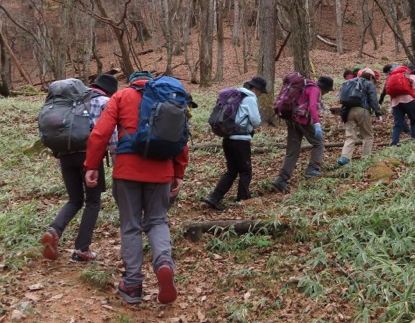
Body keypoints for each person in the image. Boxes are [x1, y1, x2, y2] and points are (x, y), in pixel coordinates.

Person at [83, 71, 189, 305]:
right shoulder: (168, 99)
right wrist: (178, 172)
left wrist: (91, 165)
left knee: (130, 225)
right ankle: (163, 262)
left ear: (132, 81)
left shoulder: (121, 97)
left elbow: (100, 133)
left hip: (127, 171)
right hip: (162, 171)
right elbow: (182, 139)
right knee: (157, 220)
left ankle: (132, 285)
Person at [40, 73, 118, 263]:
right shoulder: (104, 101)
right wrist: (117, 162)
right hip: (89, 157)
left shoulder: (74, 100)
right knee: (92, 202)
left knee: (74, 199)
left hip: (65, 155)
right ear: (111, 91)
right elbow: (112, 134)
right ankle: (82, 249)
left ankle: (54, 230)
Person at [202, 76, 267, 211]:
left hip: (228, 138)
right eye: (261, 91)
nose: (260, 94)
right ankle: (243, 199)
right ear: (255, 89)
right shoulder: (250, 99)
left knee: (231, 171)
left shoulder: (236, 96)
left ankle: (214, 197)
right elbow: (255, 121)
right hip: (241, 140)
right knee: (245, 171)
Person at [271, 75, 334, 194]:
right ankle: (312, 169)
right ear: (324, 89)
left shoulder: (305, 87)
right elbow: (312, 106)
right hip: (302, 120)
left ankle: (281, 179)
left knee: (292, 150)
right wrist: (317, 123)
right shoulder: (315, 89)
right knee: (319, 143)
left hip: (291, 119)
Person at [337, 68, 382, 166]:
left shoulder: (349, 82)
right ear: (371, 77)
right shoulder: (369, 84)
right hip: (363, 110)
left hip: (348, 111)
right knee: (368, 135)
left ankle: (345, 157)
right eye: (373, 79)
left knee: (350, 136)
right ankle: (365, 159)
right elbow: (373, 99)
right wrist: (378, 113)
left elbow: (342, 99)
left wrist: (341, 115)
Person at [384, 65, 415, 146]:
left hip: (396, 103)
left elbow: (391, 94)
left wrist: (391, 107)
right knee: (414, 121)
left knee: (398, 124)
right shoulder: (412, 77)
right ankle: (414, 141)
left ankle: (394, 142)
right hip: (409, 100)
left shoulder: (392, 77)